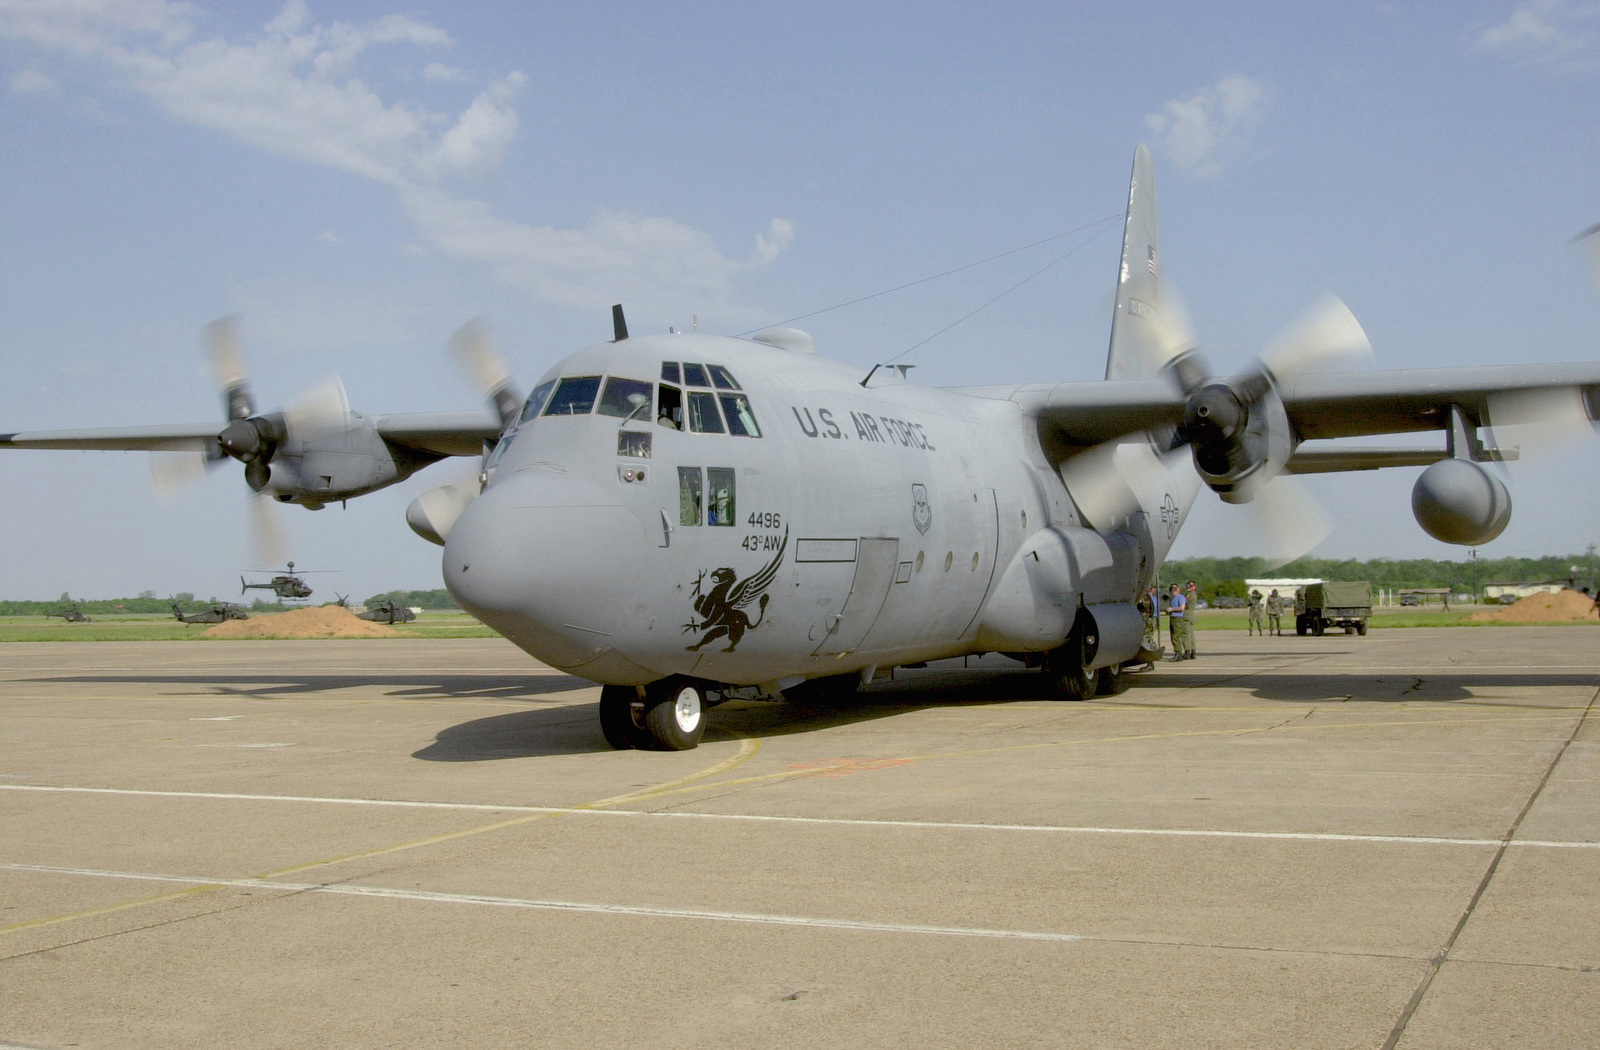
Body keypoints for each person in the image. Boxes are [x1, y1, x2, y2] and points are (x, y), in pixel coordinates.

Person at [1136, 587, 1158, 669]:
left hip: (1147, 622)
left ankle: (1150, 662)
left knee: (1145, 640)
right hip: (1148, 621)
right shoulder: (1150, 598)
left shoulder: (1146, 599)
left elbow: (1144, 608)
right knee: (1148, 640)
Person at [1167, 583, 1188, 660]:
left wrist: (1172, 609)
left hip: (1178, 618)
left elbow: (1182, 608)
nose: (1172, 591)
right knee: (1173, 636)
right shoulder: (1172, 598)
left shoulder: (1180, 597)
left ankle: (1178, 653)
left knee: (1176, 636)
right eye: (1171, 589)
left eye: (1174, 589)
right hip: (1172, 618)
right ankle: (1177, 652)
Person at [1183, 581, 1199, 659]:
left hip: (1187, 616)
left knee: (1187, 634)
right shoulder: (1190, 595)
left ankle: (1187, 651)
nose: (1187, 587)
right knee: (1190, 634)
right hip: (1189, 616)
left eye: (1189, 586)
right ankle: (1192, 651)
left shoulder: (1191, 595)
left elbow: (1186, 605)